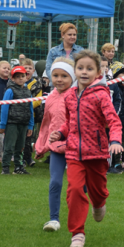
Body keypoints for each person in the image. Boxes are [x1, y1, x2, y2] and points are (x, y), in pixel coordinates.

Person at [49, 50, 123, 247]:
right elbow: (70, 122)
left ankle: (99, 204)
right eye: (80, 68)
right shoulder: (70, 96)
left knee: (97, 191)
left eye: (89, 69)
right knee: (74, 190)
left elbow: (113, 121)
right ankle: (77, 233)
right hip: (73, 152)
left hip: (97, 152)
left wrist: (115, 141)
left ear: (98, 73)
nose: (84, 72)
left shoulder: (101, 95)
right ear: (75, 71)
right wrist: (61, 133)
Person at [35, 58, 75, 232]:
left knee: (79, 187)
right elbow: (46, 124)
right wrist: (41, 146)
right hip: (56, 147)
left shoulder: (78, 95)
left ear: (72, 77)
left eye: (64, 76)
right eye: (55, 75)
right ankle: (53, 220)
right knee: (55, 182)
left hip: (76, 147)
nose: (59, 79)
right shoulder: (50, 97)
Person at [0, 66, 34, 175]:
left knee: (20, 146)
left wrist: (30, 125)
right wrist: (3, 124)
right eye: (17, 77)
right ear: (12, 78)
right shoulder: (10, 90)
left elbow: (30, 108)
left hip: (24, 123)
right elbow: (4, 108)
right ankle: (5, 168)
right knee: (9, 146)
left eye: (22, 76)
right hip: (12, 123)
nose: (20, 78)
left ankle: (18, 167)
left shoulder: (28, 91)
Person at [20, 58, 43, 168]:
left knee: (29, 137)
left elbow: (38, 100)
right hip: (17, 115)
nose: (27, 70)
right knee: (19, 137)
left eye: (30, 68)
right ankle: (19, 158)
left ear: (33, 71)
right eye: (25, 68)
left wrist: (25, 106)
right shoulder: (16, 83)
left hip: (31, 115)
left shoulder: (37, 84)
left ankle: (28, 158)